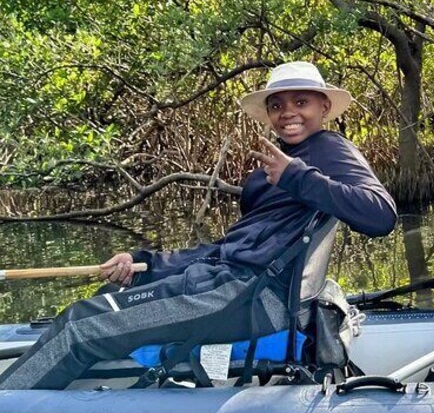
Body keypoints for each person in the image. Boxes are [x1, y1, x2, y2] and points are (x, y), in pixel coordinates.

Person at [0, 61, 397, 390]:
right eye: (277, 104)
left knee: (80, 326)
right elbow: (226, 249)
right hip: (223, 284)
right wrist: (145, 264)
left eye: (301, 101)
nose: (287, 111)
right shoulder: (274, 170)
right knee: (93, 304)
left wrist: (297, 176)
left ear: (324, 107)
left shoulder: (329, 150)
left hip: (246, 297)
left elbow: (381, 215)